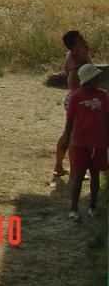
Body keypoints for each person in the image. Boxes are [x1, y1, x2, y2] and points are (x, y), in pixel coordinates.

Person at [59, 64, 109, 219]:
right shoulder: (76, 97)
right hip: (80, 141)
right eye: (95, 77)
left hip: (98, 141)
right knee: (78, 175)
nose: (98, 79)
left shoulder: (103, 96)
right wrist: (67, 138)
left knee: (95, 174)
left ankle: (92, 206)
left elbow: (107, 117)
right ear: (88, 80)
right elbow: (70, 120)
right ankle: (73, 209)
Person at [56, 31, 94, 177]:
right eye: (80, 41)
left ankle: (59, 167)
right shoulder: (74, 63)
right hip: (77, 101)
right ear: (73, 47)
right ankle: (74, 171)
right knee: (73, 137)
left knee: (69, 134)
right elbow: (74, 87)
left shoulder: (79, 54)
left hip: (78, 100)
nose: (84, 42)